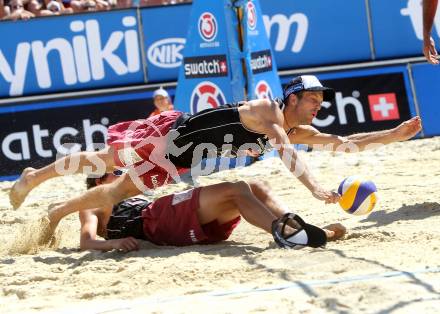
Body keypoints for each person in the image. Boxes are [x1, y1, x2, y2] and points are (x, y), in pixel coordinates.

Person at [10, 75, 422, 224]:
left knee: (117, 193)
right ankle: (35, 177)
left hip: (181, 160)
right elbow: (285, 152)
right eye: (313, 99)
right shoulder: (266, 111)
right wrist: (314, 189)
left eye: (321, 101)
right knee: (106, 159)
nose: (319, 105)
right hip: (171, 134)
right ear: (292, 97)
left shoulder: (295, 129)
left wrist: (391, 134)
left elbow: (342, 143)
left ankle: (57, 211)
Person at [77, 172, 346, 252]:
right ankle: (288, 234)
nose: (120, 175)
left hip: (165, 214)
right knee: (237, 189)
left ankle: (298, 228)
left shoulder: (126, 194)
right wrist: (115, 242)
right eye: (113, 173)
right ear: (99, 182)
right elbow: (86, 241)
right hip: (153, 221)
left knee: (254, 186)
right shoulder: (92, 204)